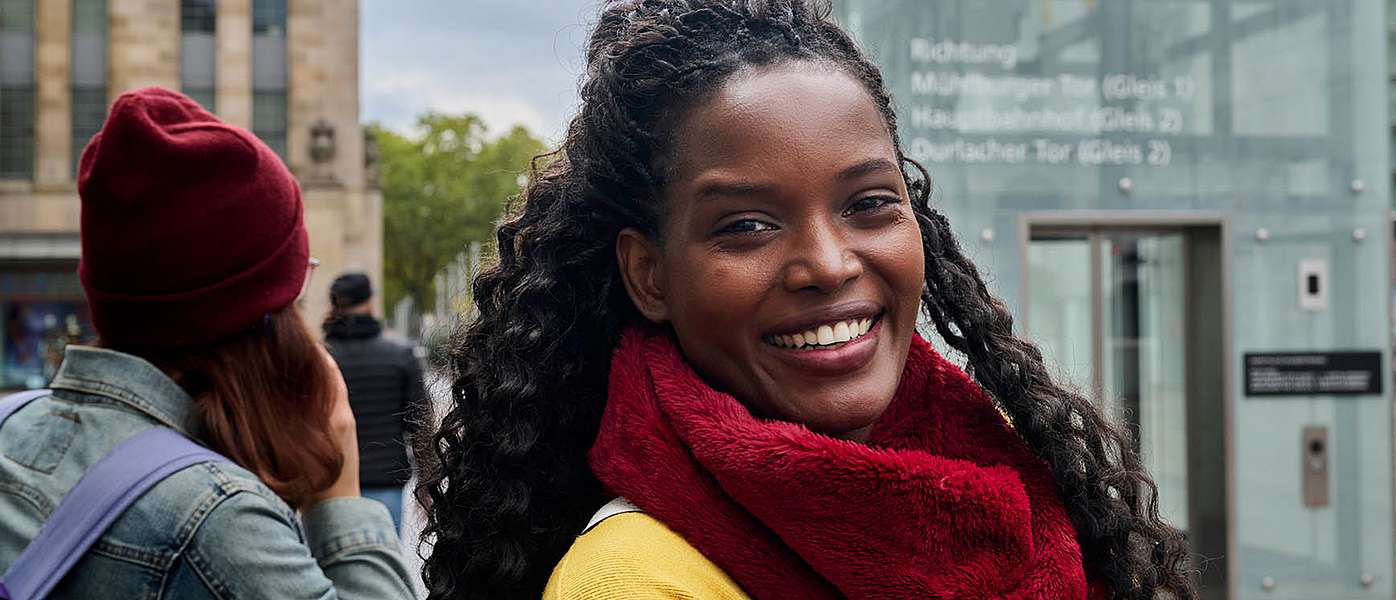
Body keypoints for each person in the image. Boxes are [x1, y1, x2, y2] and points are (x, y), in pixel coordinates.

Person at [418, 1, 1195, 599]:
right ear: (650, 276)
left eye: (868, 204)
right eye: (747, 225)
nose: (827, 265)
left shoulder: (1000, 471)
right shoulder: (632, 579)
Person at [0, 88, 413, 598]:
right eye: (293, 294)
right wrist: (339, 495)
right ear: (254, 317)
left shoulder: (10, 426)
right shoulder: (216, 518)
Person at [323, 272, 430, 533]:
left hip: (331, 484)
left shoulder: (320, 357)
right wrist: (428, 486)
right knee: (384, 566)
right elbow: (421, 425)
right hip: (385, 480)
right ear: (370, 302)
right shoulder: (400, 355)